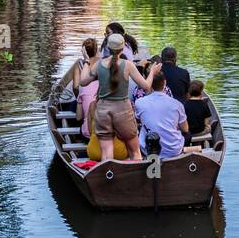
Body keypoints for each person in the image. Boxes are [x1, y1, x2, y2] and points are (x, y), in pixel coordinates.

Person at [78, 33, 161, 161]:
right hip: (123, 110)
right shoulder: (128, 65)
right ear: (122, 49)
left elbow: (83, 81)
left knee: (106, 154)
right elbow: (146, 86)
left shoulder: (98, 65)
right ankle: (137, 178)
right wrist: (153, 73)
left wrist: (86, 61)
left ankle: (109, 178)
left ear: (108, 48)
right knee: (134, 151)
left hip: (103, 111)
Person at [134, 73, 189, 159]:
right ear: (165, 83)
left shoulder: (139, 103)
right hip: (173, 151)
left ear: (149, 84)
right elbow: (185, 129)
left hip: (146, 150)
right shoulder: (177, 104)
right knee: (187, 134)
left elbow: (138, 121)